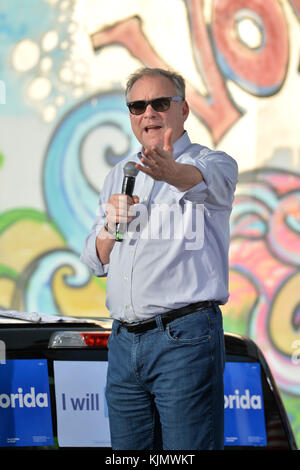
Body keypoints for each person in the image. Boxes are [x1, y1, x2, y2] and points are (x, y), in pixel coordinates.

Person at [80, 67, 238, 450]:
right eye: (137, 105)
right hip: (123, 343)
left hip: (183, 339)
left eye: (160, 103)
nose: (148, 113)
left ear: (183, 110)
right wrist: (111, 227)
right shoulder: (120, 172)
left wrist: (170, 171)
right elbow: (95, 261)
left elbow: (199, 182)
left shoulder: (214, 162)